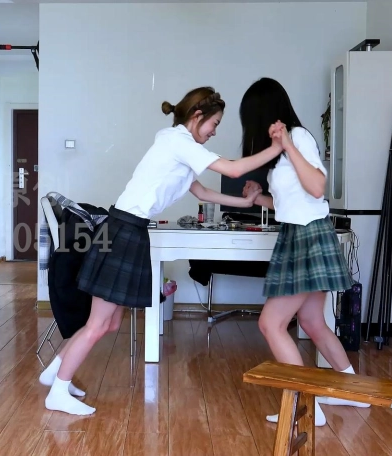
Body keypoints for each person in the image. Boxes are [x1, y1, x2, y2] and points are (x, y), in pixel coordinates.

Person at [40, 86, 286, 416]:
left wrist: (245, 202)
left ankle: (55, 371)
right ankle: (57, 391)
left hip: (129, 230)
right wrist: (277, 147)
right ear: (197, 116)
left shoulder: (180, 149)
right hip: (124, 230)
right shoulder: (177, 142)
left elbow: (202, 192)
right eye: (214, 123)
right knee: (98, 324)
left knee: (109, 324)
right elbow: (234, 169)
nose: (214, 131)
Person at [238, 78, 369, 427]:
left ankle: (305, 407)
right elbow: (291, 202)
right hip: (299, 233)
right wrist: (259, 198)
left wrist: (287, 144)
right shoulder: (283, 149)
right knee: (312, 321)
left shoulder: (298, 138)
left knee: (271, 323)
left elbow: (316, 188)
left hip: (308, 237)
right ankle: (353, 392)